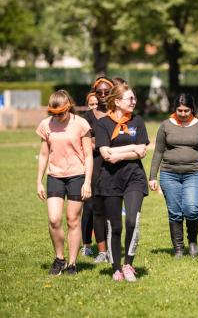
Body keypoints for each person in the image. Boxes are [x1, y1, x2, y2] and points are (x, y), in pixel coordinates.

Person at [149, 93, 198, 258]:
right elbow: (158, 152)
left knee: (191, 208)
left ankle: (192, 241)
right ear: (175, 109)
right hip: (169, 174)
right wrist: (152, 176)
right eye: (179, 110)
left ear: (192, 109)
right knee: (174, 211)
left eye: (186, 111)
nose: (182, 114)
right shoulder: (165, 126)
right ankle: (179, 248)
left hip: (194, 173)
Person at [95, 83, 149, 282]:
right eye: (130, 99)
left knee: (132, 221)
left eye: (134, 98)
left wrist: (120, 154)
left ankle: (128, 264)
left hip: (134, 178)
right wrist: (131, 149)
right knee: (115, 226)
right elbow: (105, 153)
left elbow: (142, 151)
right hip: (110, 180)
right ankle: (116, 267)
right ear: (117, 101)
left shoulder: (138, 121)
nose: (134, 102)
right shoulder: (102, 124)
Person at [36, 90, 93, 275]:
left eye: (60, 113)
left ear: (68, 107)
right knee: (54, 219)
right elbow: (44, 154)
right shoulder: (46, 125)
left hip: (77, 175)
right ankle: (59, 259)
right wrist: (39, 181)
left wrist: (87, 182)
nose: (57, 117)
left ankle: (72, 263)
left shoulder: (81, 124)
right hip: (55, 176)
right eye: (53, 114)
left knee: (73, 220)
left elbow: (88, 155)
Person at [80, 77, 114, 263]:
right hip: (94, 166)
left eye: (106, 92)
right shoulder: (88, 118)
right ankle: (100, 251)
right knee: (95, 208)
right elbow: (83, 143)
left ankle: (112, 247)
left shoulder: (119, 113)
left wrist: (97, 142)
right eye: (99, 92)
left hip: (116, 166)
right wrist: (100, 144)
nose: (102, 96)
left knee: (113, 209)